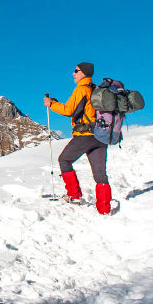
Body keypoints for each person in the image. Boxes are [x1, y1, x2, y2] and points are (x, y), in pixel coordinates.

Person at [43, 61, 113, 215]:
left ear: (84, 73)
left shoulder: (81, 89)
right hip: (100, 136)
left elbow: (69, 110)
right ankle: (104, 210)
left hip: (85, 135)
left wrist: (51, 104)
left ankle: (74, 195)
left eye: (76, 71)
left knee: (64, 160)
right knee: (100, 174)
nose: (73, 74)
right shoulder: (96, 90)